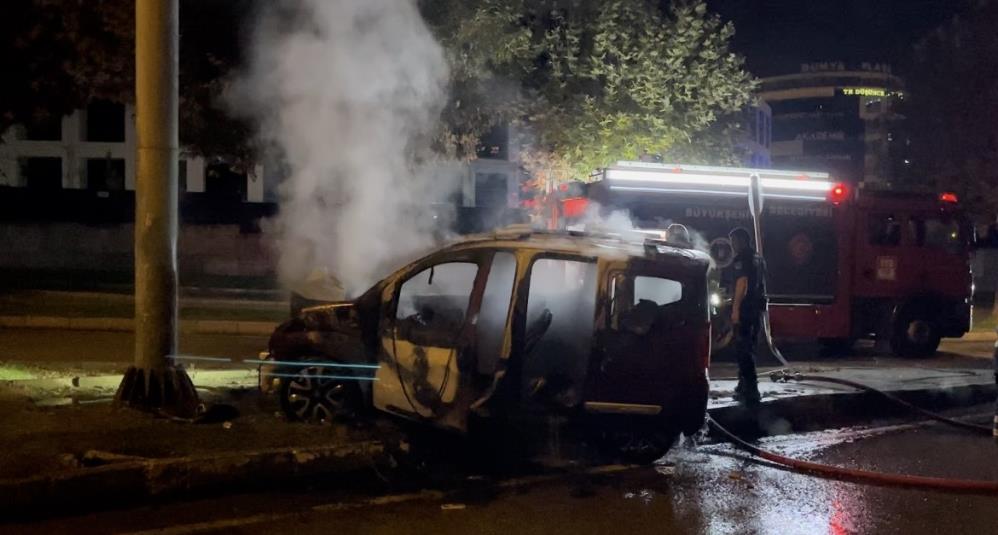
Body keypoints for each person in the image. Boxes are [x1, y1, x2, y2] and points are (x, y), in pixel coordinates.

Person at [729, 227, 766, 405]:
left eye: (734, 241)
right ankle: (743, 385)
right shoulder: (758, 258)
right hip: (756, 310)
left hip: (745, 309)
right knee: (749, 347)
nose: (732, 245)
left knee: (743, 349)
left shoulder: (742, 259)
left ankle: (751, 390)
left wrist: (735, 309)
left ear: (741, 241)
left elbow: (742, 284)